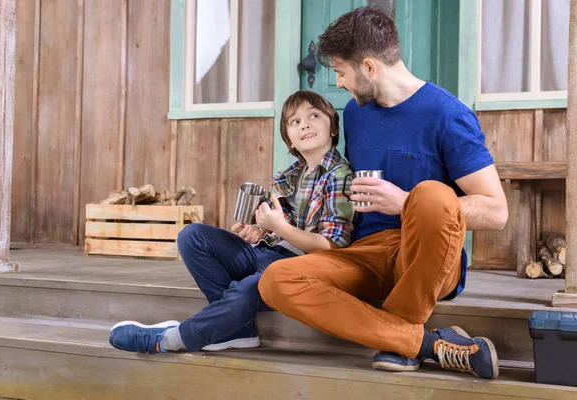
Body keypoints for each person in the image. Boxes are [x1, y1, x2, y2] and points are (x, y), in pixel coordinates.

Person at [258, 7, 508, 380]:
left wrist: (405, 201)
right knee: (276, 280)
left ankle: (400, 333)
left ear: (370, 68)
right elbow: (326, 180)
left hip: (424, 255)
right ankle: (424, 344)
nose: (339, 83)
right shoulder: (357, 114)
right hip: (365, 253)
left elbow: (496, 211)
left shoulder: (447, 115)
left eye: (341, 72)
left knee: (430, 195)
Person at [108, 90, 355, 354]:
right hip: (269, 253)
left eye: (314, 115)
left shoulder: (339, 175)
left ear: (332, 129)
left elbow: (332, 246)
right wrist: (257, 231)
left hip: (302, 268)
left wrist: (279, 228)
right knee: (192, 236)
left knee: (249, 287)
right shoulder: (289, 175)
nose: (304, 124)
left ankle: (170, 340)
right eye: (294, 121)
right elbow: (275, 229)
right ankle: (238, 329)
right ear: (290, 141)